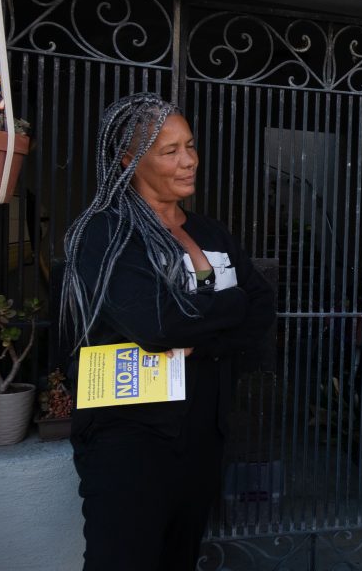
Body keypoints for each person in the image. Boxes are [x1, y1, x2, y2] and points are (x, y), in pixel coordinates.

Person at [61, 92, 276, 571]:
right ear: (129, 159)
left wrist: (202, 332)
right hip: (129, 439)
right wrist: (231, 303)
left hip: (203, 433)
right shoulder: (106, 234)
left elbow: (262, 307)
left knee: (180, 559)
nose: (189, 161)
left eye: (191, 145)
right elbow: (158, 324)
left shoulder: (211, 232)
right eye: (170, 151)